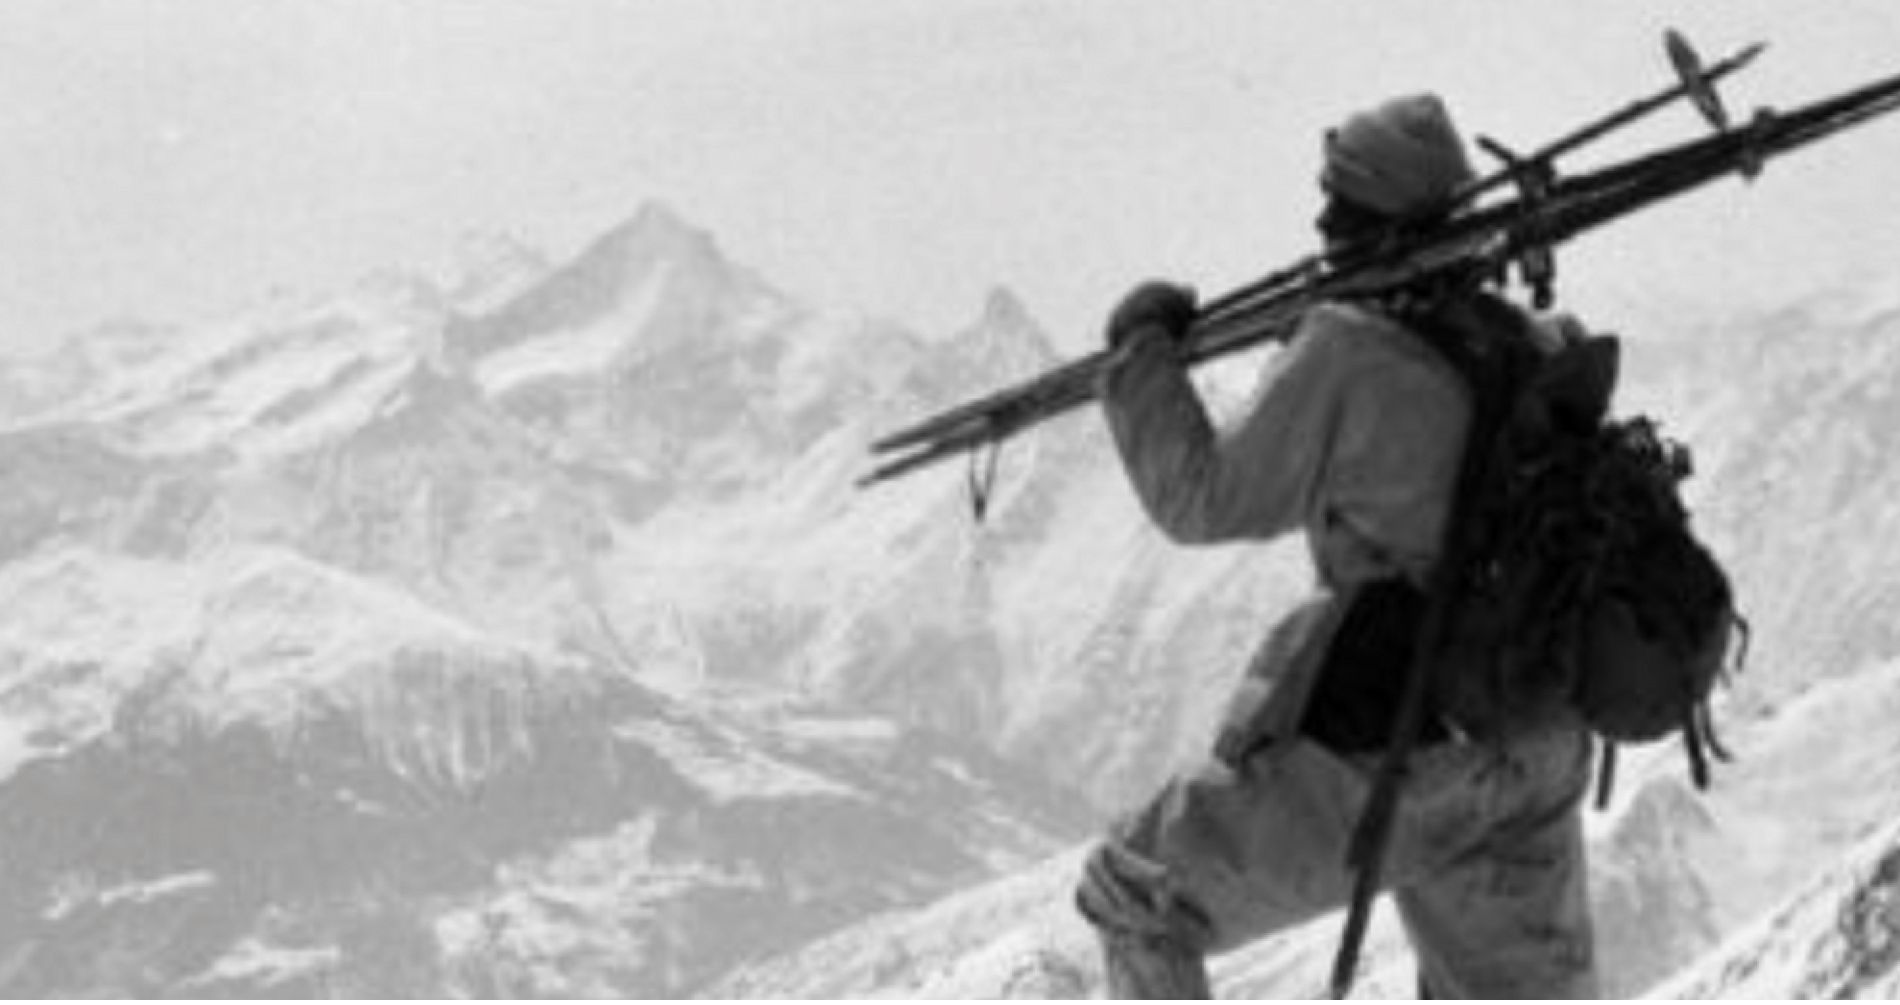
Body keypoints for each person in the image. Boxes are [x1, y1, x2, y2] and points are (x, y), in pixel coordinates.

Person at [1072, 93, 1601, 998]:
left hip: (1412, 734)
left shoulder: (1348, 349)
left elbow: (1202, 497)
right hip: (1543, 726)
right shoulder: (1530, 341)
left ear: (1369, 222)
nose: (1320, 220)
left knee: (1136, 891)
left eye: (1337, 203)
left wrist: (1141, 355)